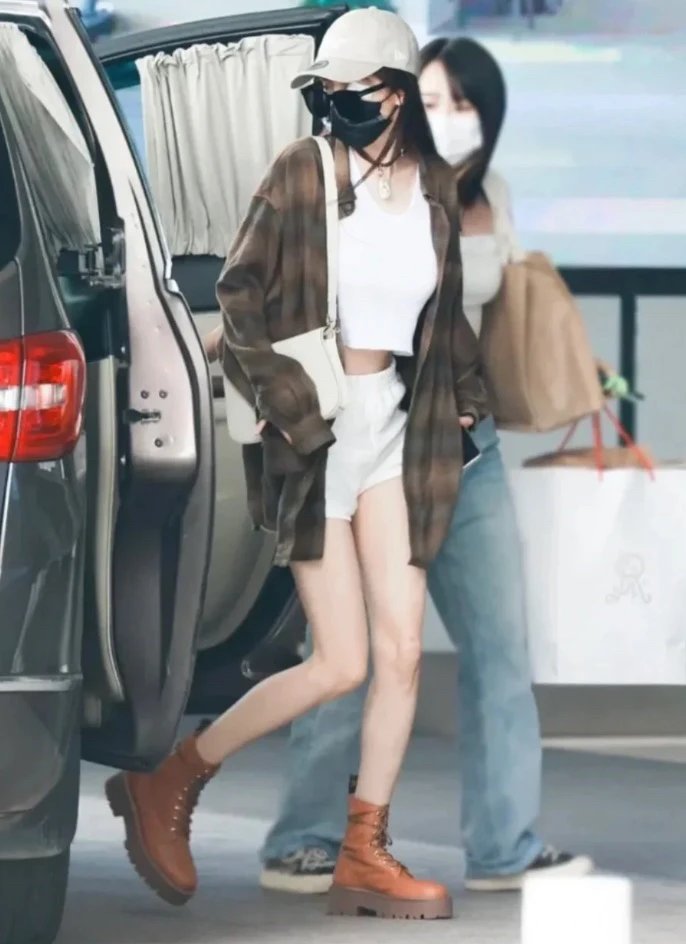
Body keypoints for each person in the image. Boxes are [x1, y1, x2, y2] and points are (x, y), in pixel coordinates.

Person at [105, 10, 489, 921]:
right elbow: (237, 296)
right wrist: (291, 407)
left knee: (402, 653)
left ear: (397, 93)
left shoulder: (436, 189)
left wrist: (466, 398)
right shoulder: (303, 171)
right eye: (327, 91)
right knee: (340, 663)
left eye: (356, 91)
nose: (339, 105)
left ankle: (365, 850)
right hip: (315, 434)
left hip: (396, 429)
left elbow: (445, 319)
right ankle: (172, 775)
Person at [258, 35, 594, 897]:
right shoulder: (355, 184)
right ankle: (305, 839)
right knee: (351, 653)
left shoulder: (483, 195)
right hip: (376, 440)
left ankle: (504, 845)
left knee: (498, 651)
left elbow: (470, 323)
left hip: (466, 455)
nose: (449, 117)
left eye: (464, 103)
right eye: (436, 98)